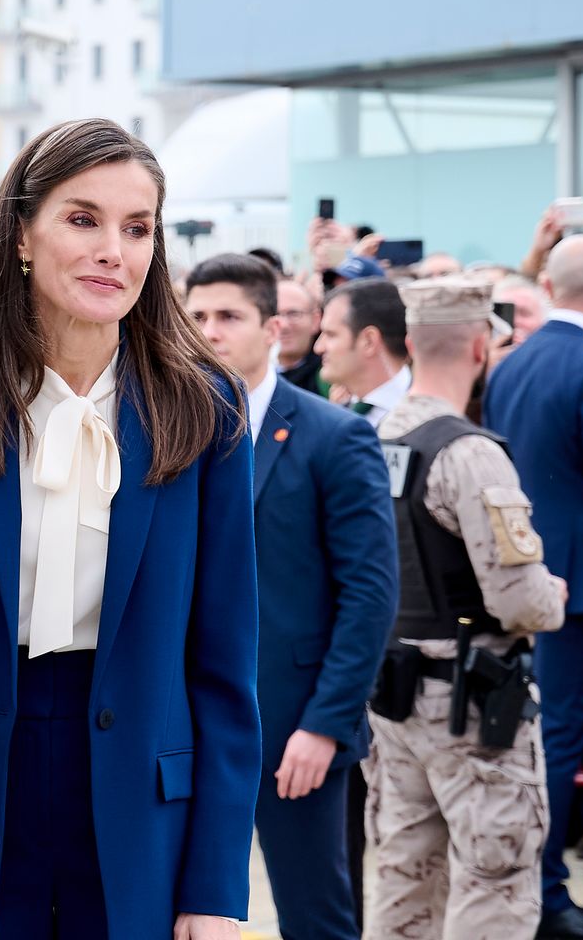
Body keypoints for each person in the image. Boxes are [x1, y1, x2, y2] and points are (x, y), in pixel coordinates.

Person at [0, 119, 256, 940]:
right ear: (21, 235)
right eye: (83, 220)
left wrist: (216, 889)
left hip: (143, 808)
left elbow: (224, 669)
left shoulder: (205, 409)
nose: (114, 251)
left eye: (137, 229)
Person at [185, 254, 397, 940]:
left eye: (228, 316)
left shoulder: (335, 436)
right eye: (196, 316)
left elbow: (369, 594)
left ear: (273, 328)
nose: (209, 331)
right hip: (179, 718)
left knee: (315, 917)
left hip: (293, 725)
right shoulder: (162, 431)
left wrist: (326, 724)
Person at [369, 276, 566, 939]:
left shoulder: (375, 438)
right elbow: (520, 602)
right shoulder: (469, 453)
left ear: (408, 342)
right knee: (494, 876)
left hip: (395, 693)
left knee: (405, 876)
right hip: (470, 704)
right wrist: (554, 595)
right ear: (482, 346)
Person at [481, 235, 583, 940]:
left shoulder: (510, 366)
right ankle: (545, 896)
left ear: (548, 285)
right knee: (555, 743)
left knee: (530, 742)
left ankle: (530, 892)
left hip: (516, 576)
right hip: (580, 587)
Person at [315, 277, 407, 428]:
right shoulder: (335, 412)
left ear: (369, 341)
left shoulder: (427, 420)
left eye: (331, 335)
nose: (318, 347)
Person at [275, 278, 326, 395]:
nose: (283, 325)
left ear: (316, 320)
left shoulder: (329, 378)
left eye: (293, 314)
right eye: (275, 314)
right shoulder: (245, 375)